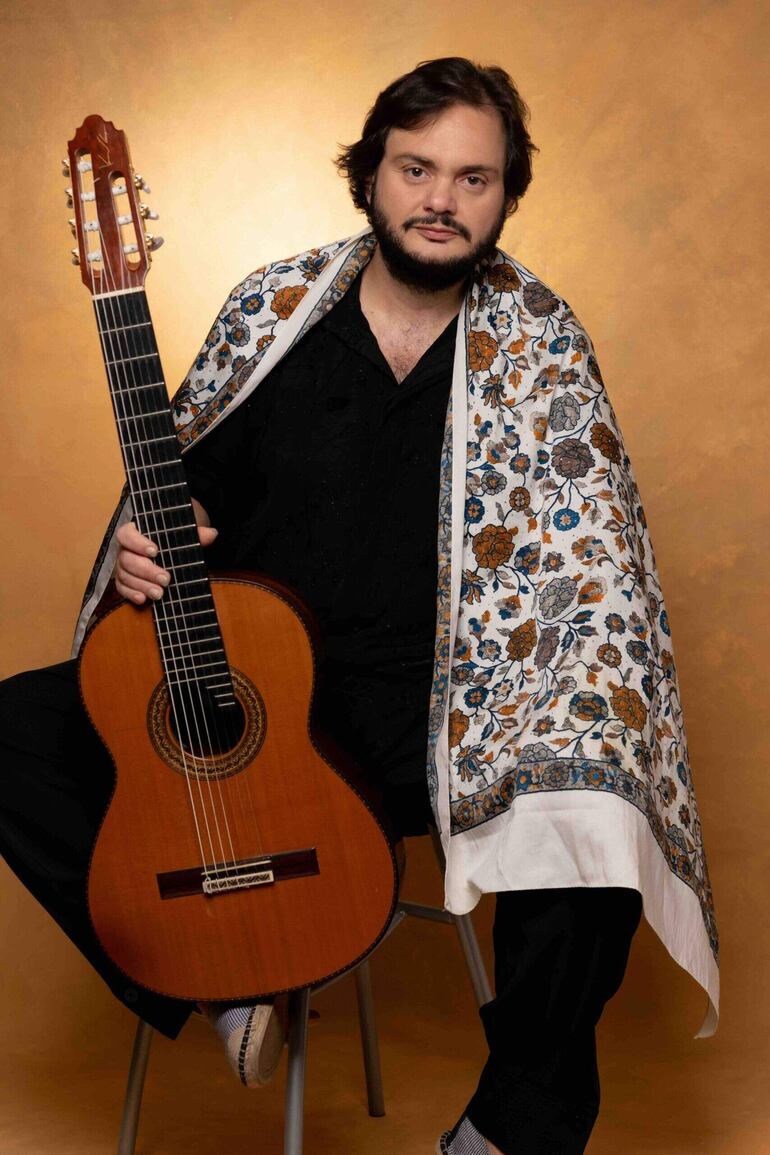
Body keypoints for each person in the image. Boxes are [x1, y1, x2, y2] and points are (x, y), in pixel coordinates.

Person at [1, 57, 718, 1155]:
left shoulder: (542, 344)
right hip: (255, 696)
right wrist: (153, 540)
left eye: (473, 178)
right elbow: (189, 485)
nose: (440, 200)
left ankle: (510, 1127)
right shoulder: (273, 311)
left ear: (507, 196)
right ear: (370, 174)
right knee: (13, 730)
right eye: (416, 169)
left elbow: (594, 577)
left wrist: (576, 728)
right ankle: (220, 980)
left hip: (438, 717)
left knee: (594, 804)